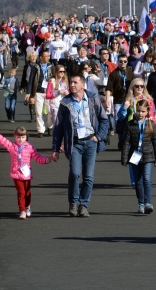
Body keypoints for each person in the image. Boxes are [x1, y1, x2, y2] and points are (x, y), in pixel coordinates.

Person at [52, 74, 110, 217]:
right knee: (75, 173)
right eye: (71, 82)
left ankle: (84, 205)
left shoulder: (92, 98)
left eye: (75, 82)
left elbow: (104, 119)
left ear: (82, 85)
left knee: (88, 176)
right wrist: (55, 148)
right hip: (74, 143)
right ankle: (73, 203)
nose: (71, 84)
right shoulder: (65, 102)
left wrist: (99, 136)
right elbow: (58, 126)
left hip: (91, 142)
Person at [0, 127, 51, 220]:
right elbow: (3, 141)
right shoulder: (12, 146)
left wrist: (46, 160)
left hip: (26, 174)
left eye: (22, 137)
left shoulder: (30, 147)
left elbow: (37, 157)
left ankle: (27, 206)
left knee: (27, 192)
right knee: (21, 192)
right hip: (16, 174)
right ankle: (22, 210)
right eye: (18, 137)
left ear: (26, 137)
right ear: (15, 137)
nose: (20, 139)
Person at [121, 99, 156, 214]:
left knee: (147, 179)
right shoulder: (130, 125)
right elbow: (126, 143)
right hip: (135, 156)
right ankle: (141, 203)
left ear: (147, 111)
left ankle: (148, 203)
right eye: (138, 111)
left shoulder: (151, 124)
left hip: (148, 155)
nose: (140, 113)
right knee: (138, 181)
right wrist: (124, 159)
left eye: (143, 111)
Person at [23, 50, 55, 137]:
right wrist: (28, 93)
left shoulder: (51, 66)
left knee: (49, 111)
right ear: (41, 57)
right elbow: (30, 81)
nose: (48, 57)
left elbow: (55, 78)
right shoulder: (35, 67)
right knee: (38, 112)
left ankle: (50, 127)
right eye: (46, 56)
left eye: (48, 56)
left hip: (49, 92)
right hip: (38, 92)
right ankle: (40, 130)